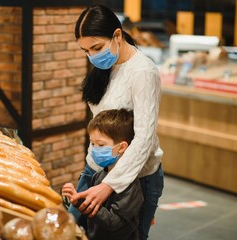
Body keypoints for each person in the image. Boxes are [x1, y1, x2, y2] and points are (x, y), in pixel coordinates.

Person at [67, 5, 164, 240]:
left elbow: (144, 139)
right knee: (69, 230)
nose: (91, 55)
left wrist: (109, 185)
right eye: (86, 50)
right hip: (96, 169)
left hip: (135, 179)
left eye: (96, 47)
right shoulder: (105, 66)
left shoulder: (143, 71)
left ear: (117, 36)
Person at [63, 109, 143, 240]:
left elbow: (113, 222)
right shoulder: (99, 175)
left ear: (122, 147)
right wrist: (77, 199)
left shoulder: (131, 187)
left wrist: (82, 202)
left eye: (100, 145)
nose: (94, 150)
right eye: (92, 143)